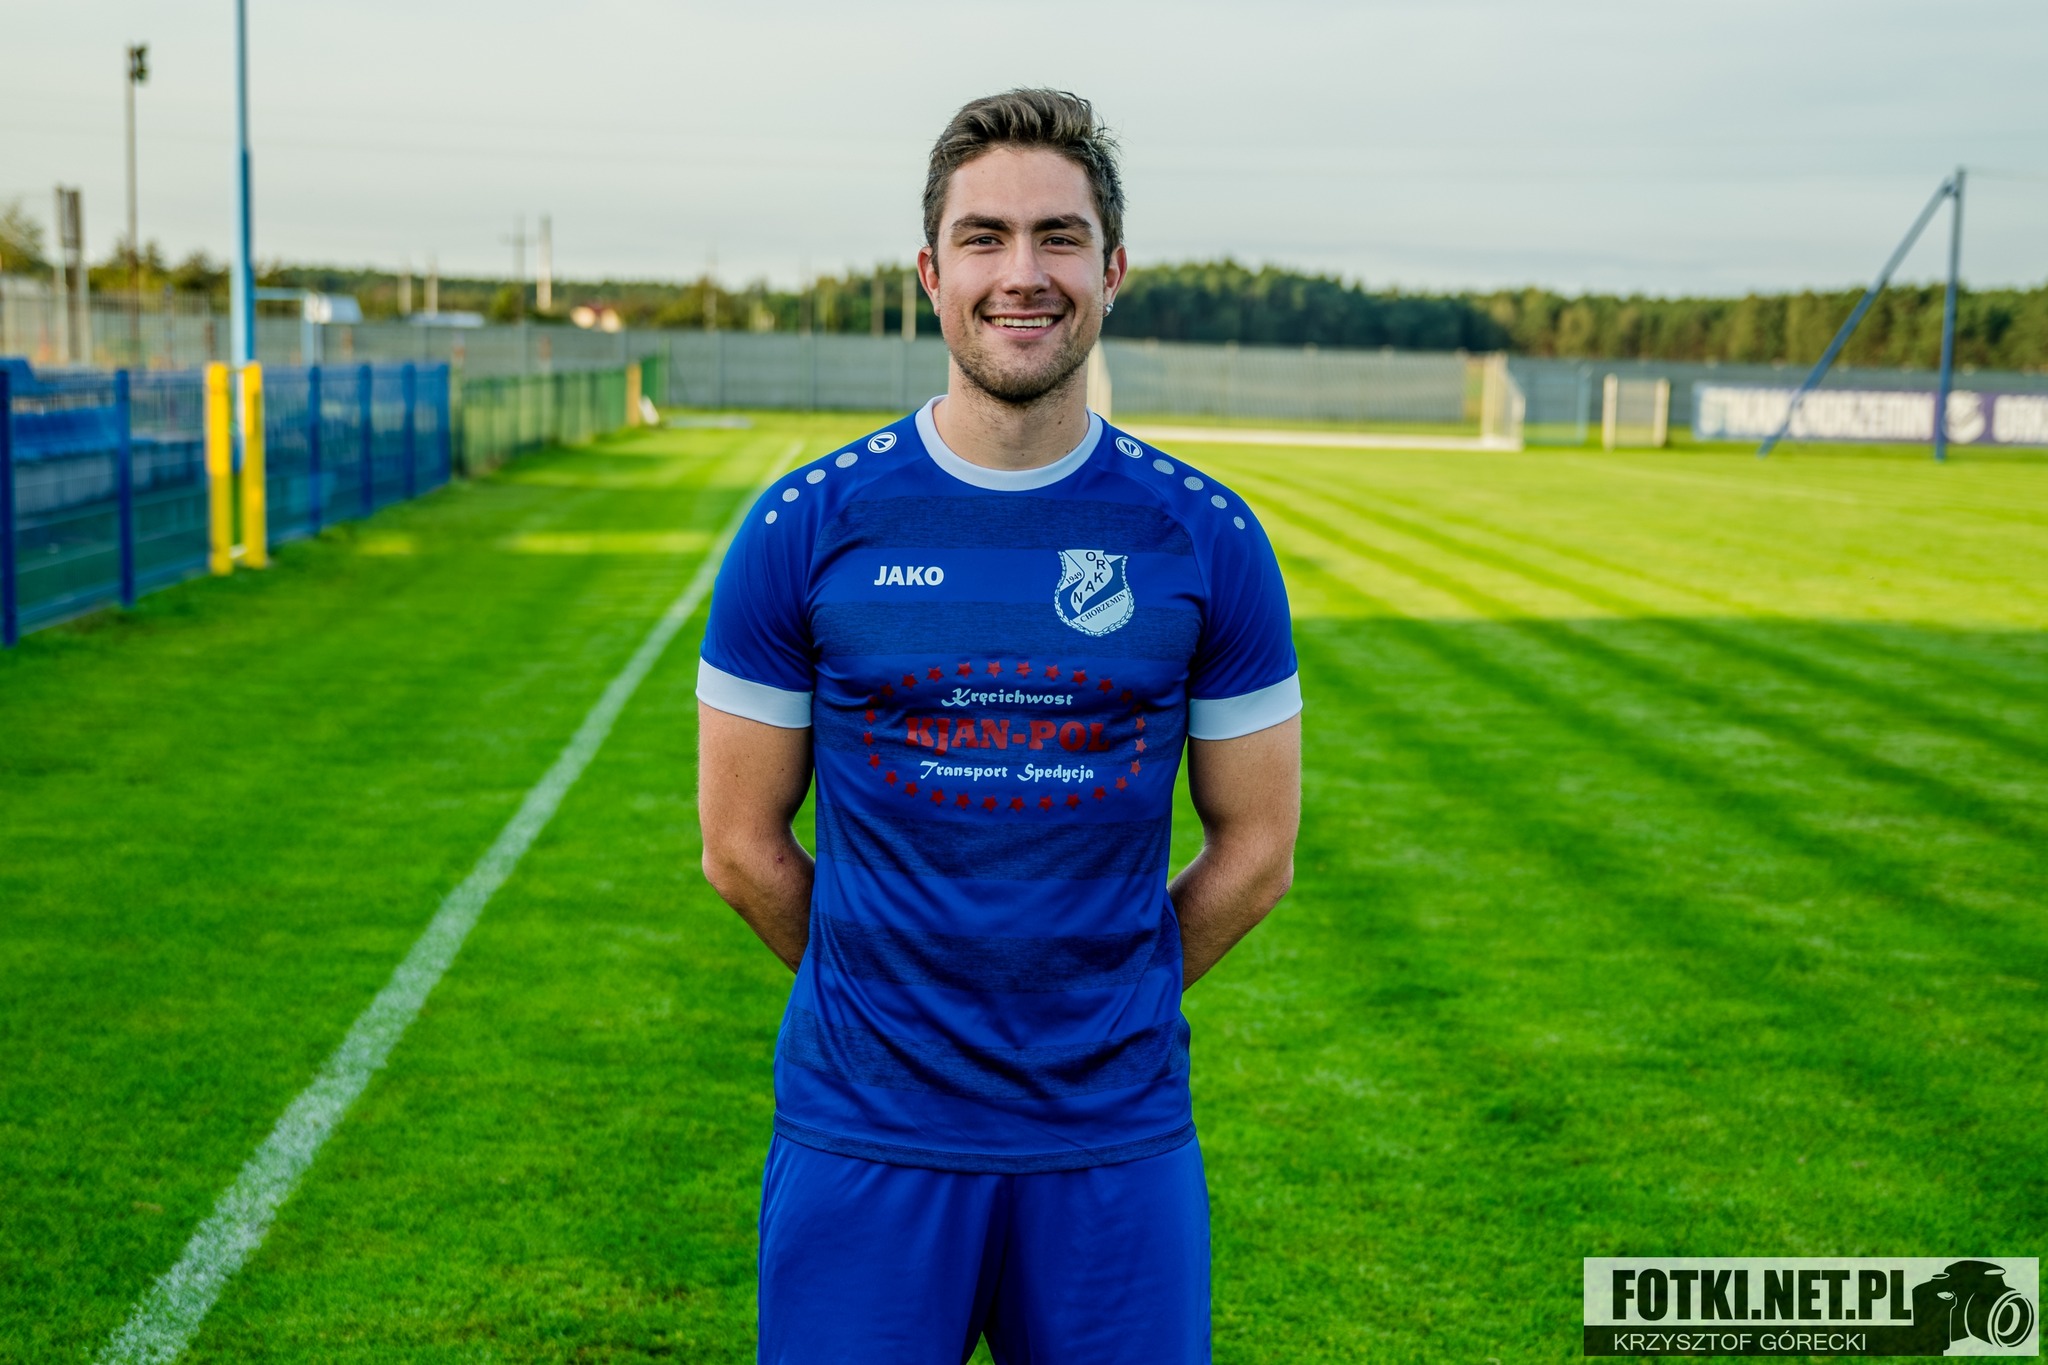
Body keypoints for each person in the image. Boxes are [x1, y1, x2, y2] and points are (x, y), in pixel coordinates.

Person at [696, 88, 1302, 1365]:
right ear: (931, 274)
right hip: (864, 1140)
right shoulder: (805, 524)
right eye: (983, 238)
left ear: (1111, 270)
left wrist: (1104, 998)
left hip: (1111, 1147)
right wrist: (891, 997)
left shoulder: (1208, 537)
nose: (1021, 273)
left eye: (1057, 237)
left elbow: (1256, 853)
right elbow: (739, 847)